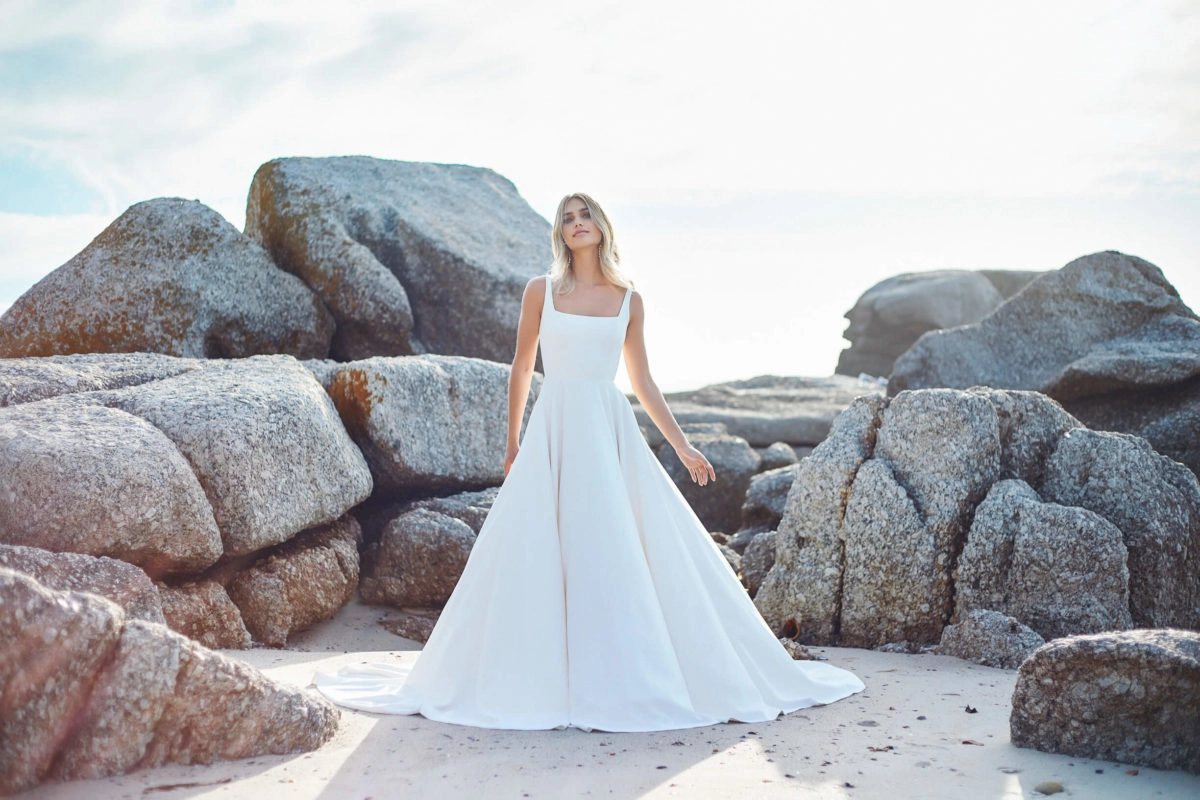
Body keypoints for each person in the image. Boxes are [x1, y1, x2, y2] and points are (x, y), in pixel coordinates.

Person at [315, 193, 864, 732]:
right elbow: (522, 366)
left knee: (612, 546)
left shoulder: (629, 298)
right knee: (537, 549)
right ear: (561, 233)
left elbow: (642, 382)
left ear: (601, 226)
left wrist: (681, 444)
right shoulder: (541, 291)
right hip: (554, 429)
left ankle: (621, 676)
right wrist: (512, 442)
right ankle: (538, 677)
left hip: (608, 430)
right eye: (568, 218)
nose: (577, 223)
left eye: (585, 215)